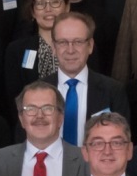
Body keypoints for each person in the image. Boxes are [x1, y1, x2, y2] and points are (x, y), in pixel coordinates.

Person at [46, 12, 129, 145]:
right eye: (62, 42)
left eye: (78, 42)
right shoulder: (36, 91)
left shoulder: (113, 91)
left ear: (90, 46)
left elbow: (121, 142)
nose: (70, 50)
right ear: (53, 47)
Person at [1, 0, 68, 112]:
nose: (48, 9)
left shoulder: (81, 46)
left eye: (55, 2)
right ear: (32, 11)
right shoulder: (16, 51)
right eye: (40, 3)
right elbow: (12, 99)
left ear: (67, 7)